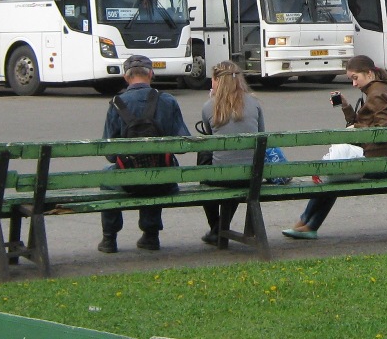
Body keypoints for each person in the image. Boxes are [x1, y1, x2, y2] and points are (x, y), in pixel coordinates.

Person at [283, 55, 387, 240]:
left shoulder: (377, 94)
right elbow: (367, 125)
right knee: (334, 172)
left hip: (381, 163)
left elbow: (382, 130)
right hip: (383, 160)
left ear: (369, 73)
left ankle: (306, 223)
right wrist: (346, 107)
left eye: (355, 78)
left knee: (333, 174)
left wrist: (357, 127)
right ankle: (307, 224)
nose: (353, 84)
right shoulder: (380, 90)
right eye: (350, 79)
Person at [99, 54, 190, 254]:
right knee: (159, 168)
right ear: (151, 74)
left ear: (125, 77)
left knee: (107, 175)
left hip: (129, 181)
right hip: (164, 181)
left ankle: (109, 238)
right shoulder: (167, 101)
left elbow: (111, 155)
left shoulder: (116, 104)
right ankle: (151, 234)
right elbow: (183, 144)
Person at [197, 60, 265, 246]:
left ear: (217, 80)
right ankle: (220, 229)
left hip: (222, 176)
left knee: (206, 164)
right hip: (252, 176)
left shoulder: (209, 106)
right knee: (237, 165)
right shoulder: (254, 103)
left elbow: (210, 140)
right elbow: (261, 135)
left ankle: (216, 227)